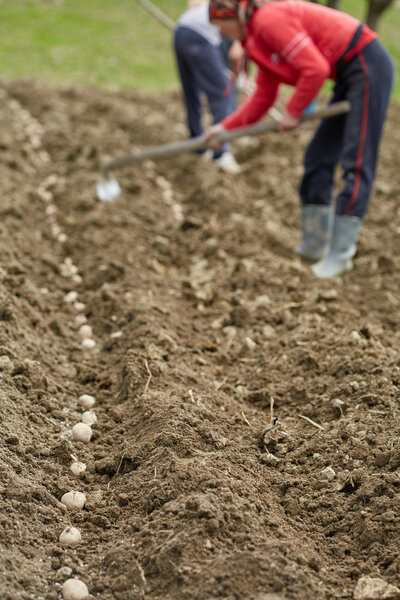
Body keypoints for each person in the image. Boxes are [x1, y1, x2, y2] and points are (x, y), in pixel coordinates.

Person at [204, 0, 394, 278]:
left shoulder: (269, 21)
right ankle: (314, 246)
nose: (221, 33)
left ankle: (340, 256)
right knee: (318, 156)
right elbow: (263, 97)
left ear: (236, 14)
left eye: (221, 24)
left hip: (366, 63)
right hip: (347, 74)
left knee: (357, 160)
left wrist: (293, 112)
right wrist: (225, 129)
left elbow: (314, 69)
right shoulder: (255, 41)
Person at [174, 0, 243, 174]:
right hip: (200, 36)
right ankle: (221, 153)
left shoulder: (232, 9)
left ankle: (196, 143)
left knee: (192, 92)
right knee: (223, 93)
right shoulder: (242, 16)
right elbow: (236, 54)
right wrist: (239, 76)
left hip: (182, 29)